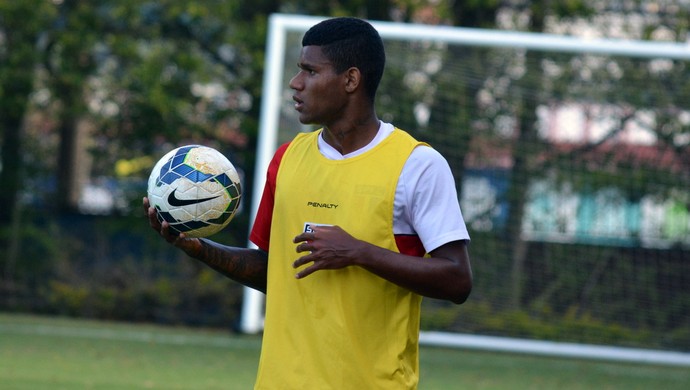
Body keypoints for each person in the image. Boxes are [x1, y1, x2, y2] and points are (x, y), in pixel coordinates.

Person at [144, 16, 472, 390]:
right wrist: (199, 248)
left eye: (310, 71)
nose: (295, 83)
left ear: (351, 80)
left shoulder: (417, 165)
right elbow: (278, 271)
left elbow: (457, 280)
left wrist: (358, 252)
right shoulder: (287, 159)